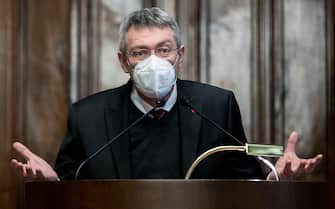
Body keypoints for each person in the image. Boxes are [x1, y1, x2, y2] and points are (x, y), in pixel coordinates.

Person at [10, 7, 322, 181]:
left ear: (180, 55)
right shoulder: (87, 116)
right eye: (140, 53)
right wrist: (52, 186)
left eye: (163, 50)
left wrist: (275, 180)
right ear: (124, 61)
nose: (154, 62)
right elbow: (69, 186)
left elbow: (243, 183)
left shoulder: (216, 106)